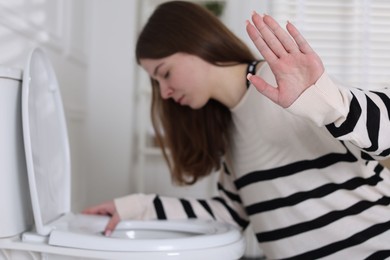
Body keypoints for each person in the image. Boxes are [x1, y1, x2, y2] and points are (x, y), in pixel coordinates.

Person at [83, 1, 390, 259]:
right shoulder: (229, 128)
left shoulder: (279, 81)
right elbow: (231, 214)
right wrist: (138, 207)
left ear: (194, 43)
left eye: (165, 73)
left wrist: (327, 102)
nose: (163, 92)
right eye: (156, 82)